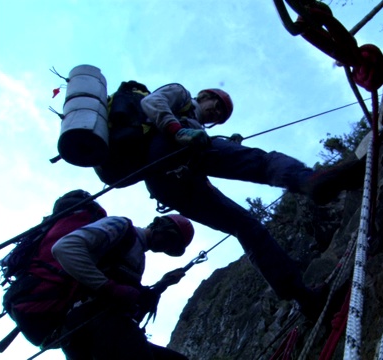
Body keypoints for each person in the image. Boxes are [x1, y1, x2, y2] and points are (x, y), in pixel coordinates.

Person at [139, 84, 364, 319]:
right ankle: (310, 181)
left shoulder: (193, 128)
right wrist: (177, 131)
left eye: (220, 116)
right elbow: (151, 102)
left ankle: (304, 298)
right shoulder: (182, 95)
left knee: (245, 226)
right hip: (177, 148)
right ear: (204, 96)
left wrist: (227, 146)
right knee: (262, 162)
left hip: (168, 184)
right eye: (216, 107)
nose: (216, 114)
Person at [50, 212, 195, 360]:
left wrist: (162, 284)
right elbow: (64, 248)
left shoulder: (138, 260)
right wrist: (109, 287)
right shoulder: (121, 226)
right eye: (170, 238)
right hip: (89, 320)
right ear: (159, 225)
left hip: (100, 326)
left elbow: (130, 300)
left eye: (173, 247)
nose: (168, 246)